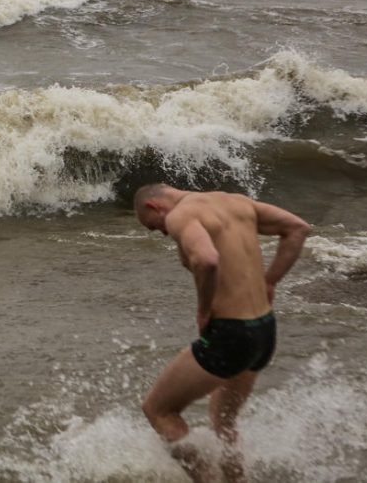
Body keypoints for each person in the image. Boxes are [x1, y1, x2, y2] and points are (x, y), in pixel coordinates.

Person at [133, 183, 310, 483]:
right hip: (264, 331)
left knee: (158, 410)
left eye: (156, 227)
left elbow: (207, 259)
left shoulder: (181, 215)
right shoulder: (235, 202)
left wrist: (203, 309)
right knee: (224, 423)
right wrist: (270, 281)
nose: (164, 233)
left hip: (231, 334)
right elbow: (297, 228)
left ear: (155, 206)